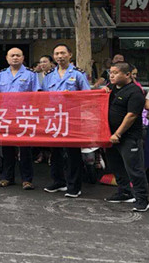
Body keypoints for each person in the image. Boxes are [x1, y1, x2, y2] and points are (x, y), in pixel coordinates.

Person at [41, 44, 91, 198]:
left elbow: (87, 96)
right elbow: (43, 96)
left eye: (62, 53)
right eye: (56, 53)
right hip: (54, 118)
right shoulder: (49, 75)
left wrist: (73, 97)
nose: (59, 56)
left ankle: (74, 186)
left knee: (72, 153)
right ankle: (58, 181)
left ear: (70, 55)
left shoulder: (78, 74)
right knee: (55, 152)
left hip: (72, 118)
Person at [0, 48, 40, 190]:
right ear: (7, 58)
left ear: (23, 58)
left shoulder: (31, 74)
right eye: (12, 55)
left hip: (24, 116)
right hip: (6, 116)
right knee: (7, 149)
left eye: (18, 55)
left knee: (25, 150)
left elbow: (36, 96)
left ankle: (27, 180)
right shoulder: (0, 75)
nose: (15, 58)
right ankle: (7, 177)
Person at [104, 62, 149, 212]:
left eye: (115, 73)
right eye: (110, 73)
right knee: (116, 166)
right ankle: (124, 192)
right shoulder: (111, 88)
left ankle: (142, 199)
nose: (111, 76)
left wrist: (118, 133)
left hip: (128, 137)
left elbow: (131, 116)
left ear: (127, 74)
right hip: (110, 136)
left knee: (134, 169)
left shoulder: (135, 92)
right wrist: (103, 91)